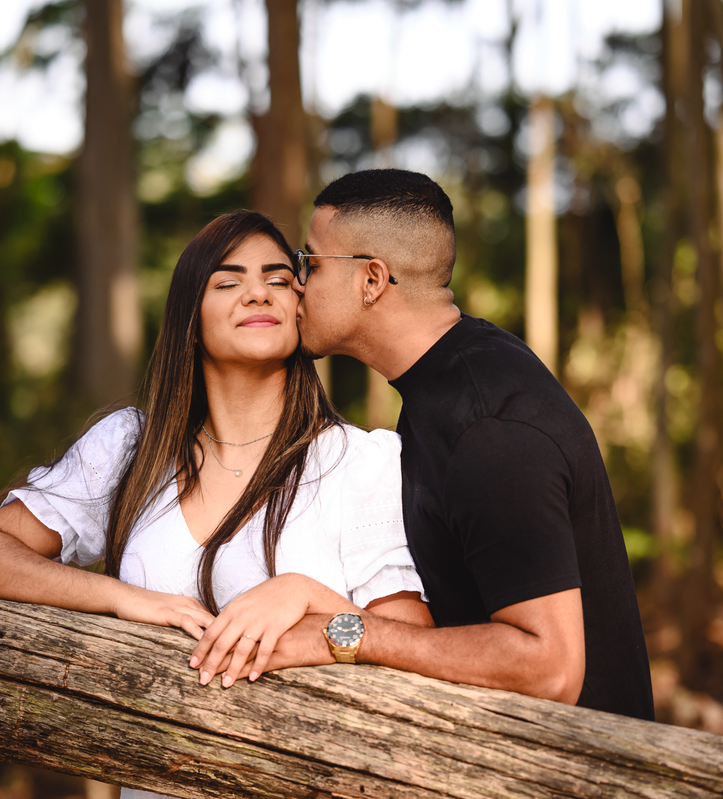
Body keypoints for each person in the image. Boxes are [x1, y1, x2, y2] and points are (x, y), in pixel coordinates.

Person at [0, 210, 432, 797]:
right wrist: (126, 599)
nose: (258, 291)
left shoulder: (360, 460)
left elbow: (408, 641)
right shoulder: (130, 447)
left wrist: (304, 593)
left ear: (301, 310)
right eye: (227, 282)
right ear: (190, 321)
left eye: (279, 278)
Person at [190, 170, 656, 720]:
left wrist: (342, 635)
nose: (295, 284)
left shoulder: (486, 425)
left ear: (371, 279)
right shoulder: (451, 385)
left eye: (309, 264)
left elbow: (548, 665)